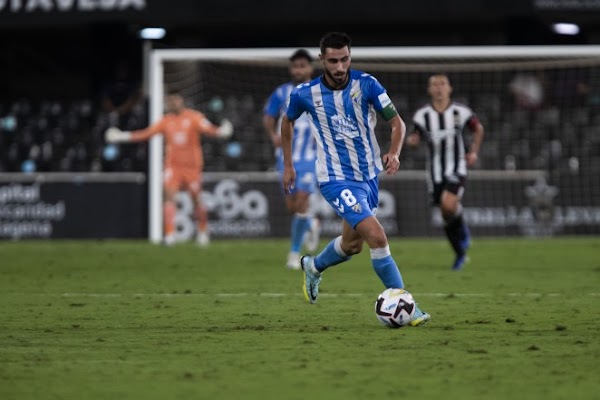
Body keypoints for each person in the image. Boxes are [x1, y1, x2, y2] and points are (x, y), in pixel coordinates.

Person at [281, 31, 430, 326]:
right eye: (333, 61)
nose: (339, 67)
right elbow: (287, 122)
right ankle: (406, 307)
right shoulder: (304, 94)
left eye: (345, 59)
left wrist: (395, 152)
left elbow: (397, 123)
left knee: (351, 246)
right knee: (377, 236)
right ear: (322, 60)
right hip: (335, 178)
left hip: (368, 177)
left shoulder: (367, 84)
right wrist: (289, 165)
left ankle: (312, 266)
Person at [105, 91, 233, 246]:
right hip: (173, 167)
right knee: (169, 198)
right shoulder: (166, 121)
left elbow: (209, 129)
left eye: (175, 100)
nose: (173, 103)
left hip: (192, 167)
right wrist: (122, 136)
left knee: (197, 200)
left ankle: (203, 232)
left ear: (182, 101)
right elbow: (146, 133)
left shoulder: (194, 117)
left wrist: (221, 132)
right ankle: (170, 235)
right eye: (170, 101)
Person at [406, 73, 485, 270]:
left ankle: (462, 232)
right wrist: (412, 142)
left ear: (449, 88)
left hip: (457, 166)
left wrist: (473, 152)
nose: (439, 88)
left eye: (443, 84)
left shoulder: (461, 112)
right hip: (434, 172)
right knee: (445, 213)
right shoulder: (422, 115)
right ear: (429, 90)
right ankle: (460, 253)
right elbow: (414, 136)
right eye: (435, 84)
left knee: (448, 204)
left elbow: (478, 129)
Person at [263, 49, 321, 270]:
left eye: (302, 66)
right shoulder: (281, 93)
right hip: (285, 157)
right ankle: (311, 223)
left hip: (310, 158)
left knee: (301, 202)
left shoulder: (319, 91)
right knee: (291, 206)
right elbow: (268, 116)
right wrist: (272, 136)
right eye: (295, 66)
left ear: (310, 68)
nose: (298, 70)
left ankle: (294, 253)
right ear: (291, 69)